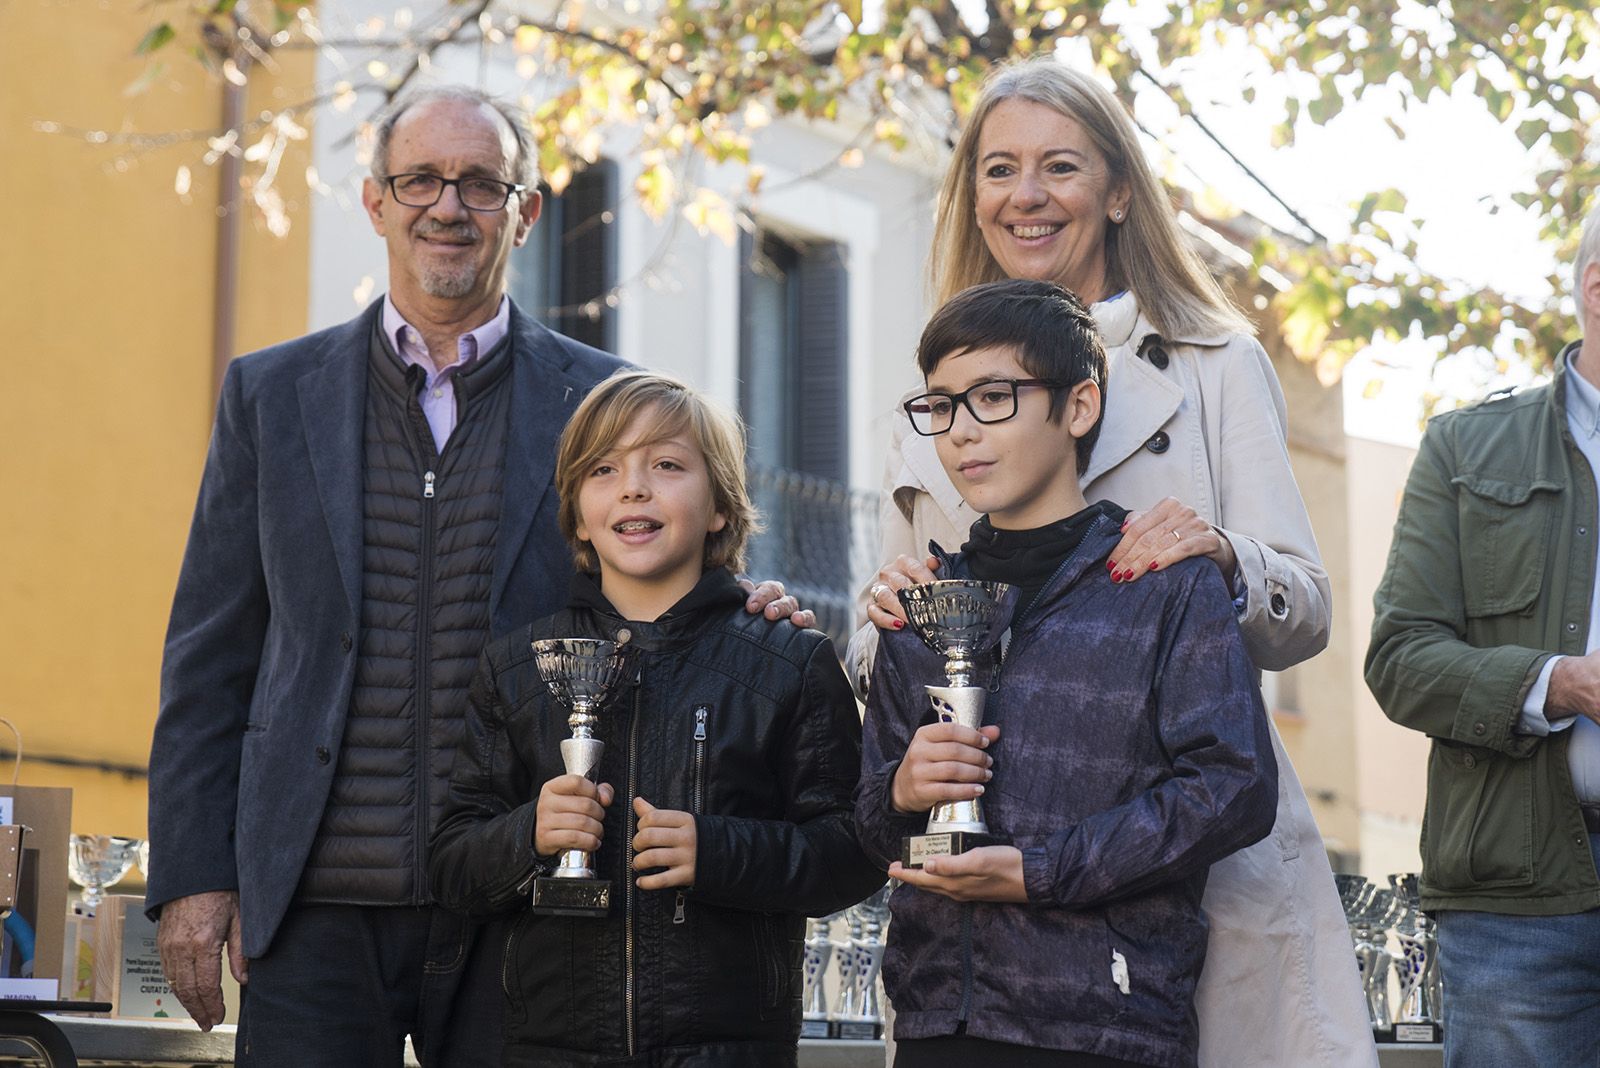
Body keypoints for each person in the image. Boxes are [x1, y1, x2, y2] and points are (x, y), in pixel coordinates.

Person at [146, 86, 805, 1065]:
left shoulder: (604, 402)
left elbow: (656, 576)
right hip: (313, 906)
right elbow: (211, 652)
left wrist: (740, 604)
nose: (447, 206)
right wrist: (195, 878)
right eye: (419, 179)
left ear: (525, 209)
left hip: (529, 894)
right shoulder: (273, 394)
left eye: (479, 183)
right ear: (375, 202)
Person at [848, 57, 1376, 1066]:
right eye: (998, 170)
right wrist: (878, 614)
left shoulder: (1214, 362)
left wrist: (1221, 553)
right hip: (980, 923)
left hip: (1175, 863)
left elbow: (1303, 609)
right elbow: (913, 660)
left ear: (1120, 188)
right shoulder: (939, 391)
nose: (1026, 196)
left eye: (1059, 166)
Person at [855, 278, 1278, 1067]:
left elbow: (1234, 785)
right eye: (940, 407)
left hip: (1108, 1024)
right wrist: (903, 791)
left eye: (993, 398)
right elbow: (872, 828)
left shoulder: (1163, 580)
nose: (961, 434)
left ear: (1078, 407)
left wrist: (1040, 872)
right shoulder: (919, 604)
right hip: (939, 1021)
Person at [429, 370, 886, 1067]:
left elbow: (855, 852)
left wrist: (720, 852)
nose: (634, 487)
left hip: (731, 1054)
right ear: (579, 514)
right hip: (547, 1052)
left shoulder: (791, 663)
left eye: (667, 465)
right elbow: (453, 863)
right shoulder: (517, 667)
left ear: (720, 508)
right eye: (605, 469)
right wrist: (530, 833)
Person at [1366, 202, 1600, 1067]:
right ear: (1596, 288)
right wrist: (1562, 684)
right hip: (1517, 903)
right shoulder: (1464, 451)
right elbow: (1399, 661)